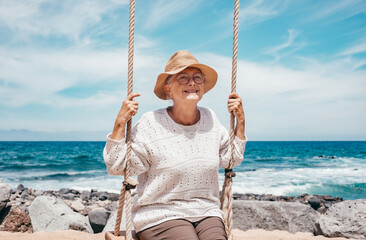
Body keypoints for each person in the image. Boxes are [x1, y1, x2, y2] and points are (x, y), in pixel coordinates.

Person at [103, 50, 247, 240]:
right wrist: (120, 122)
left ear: (202, 87)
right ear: (168, 89)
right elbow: (117, 166)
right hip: (160, 213)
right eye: (183, 78)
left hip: (207, 211)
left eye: (197, 78)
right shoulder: (151, 123)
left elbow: (231, 159)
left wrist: (241, 121)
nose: (192, 82)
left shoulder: (210, 118)